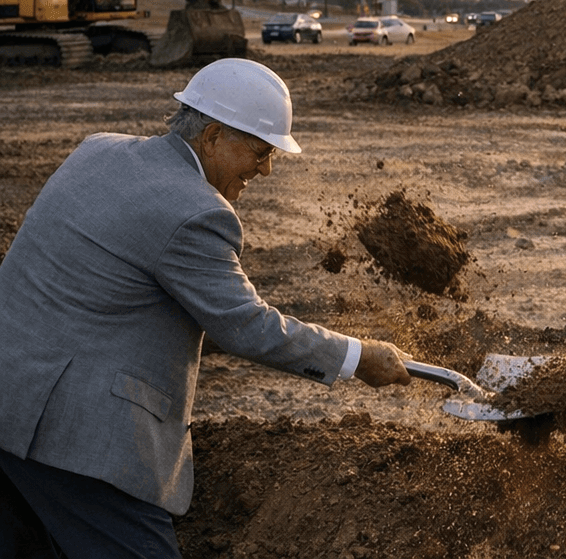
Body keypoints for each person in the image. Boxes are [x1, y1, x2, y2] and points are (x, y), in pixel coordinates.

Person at [0, 58, 413, 559]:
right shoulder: (196, 211)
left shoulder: (98, 150)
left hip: (10, 403)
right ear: (213, 136)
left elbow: (112, 286)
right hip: (80, 439)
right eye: (261, 151)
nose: (266, 169)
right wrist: (357, 357)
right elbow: (246, 325)